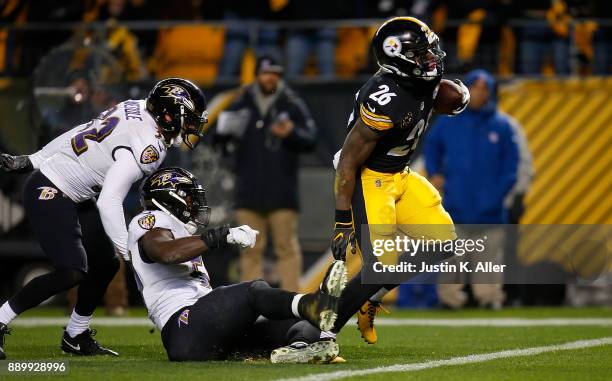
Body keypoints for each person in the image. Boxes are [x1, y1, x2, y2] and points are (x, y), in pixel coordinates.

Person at [0, 78, 208, 359]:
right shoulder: (149, 146)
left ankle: (75, 335)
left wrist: (36, 158)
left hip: (73, 192)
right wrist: (130, 250)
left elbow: (80, 131)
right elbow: (109, 199)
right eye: (188, 119)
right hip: (50, 189)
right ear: (168, 114)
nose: (191, 127)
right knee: (71, 272)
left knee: (106, 264)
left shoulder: (134, 108)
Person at [328, 17, 470, 344]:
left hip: (400, 174)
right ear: (398, 58)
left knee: (444, 242)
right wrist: (342, 218)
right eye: (422, 55)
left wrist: (451, 95)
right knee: (380, 266)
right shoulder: (383, 98)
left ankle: (371, 300)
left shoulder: (420, 81)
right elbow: (348, 162)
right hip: (369, 177)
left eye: (431, 51)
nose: (432, 60)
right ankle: (321, 331)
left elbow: (440, 93)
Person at [129, 167, 347, 362]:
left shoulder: (180, 231)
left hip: (206, 330)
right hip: (183, 326)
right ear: (170, 198)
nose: (195, 204)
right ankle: (312, 304)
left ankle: (300, 348)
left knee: (295, 323)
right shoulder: (151, 219)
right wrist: (219, 236)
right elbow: (166, 253)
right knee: (253, 291)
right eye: (189, 198)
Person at [216, 55, 317, 291]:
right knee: (250, 248)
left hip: (282, 190)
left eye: (275, 73)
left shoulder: (291, 104)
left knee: (286, 247)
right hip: (248, 189)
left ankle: (291, 300)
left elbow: (311, 140)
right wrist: (226, 137)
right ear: (257, 75)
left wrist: (292, 133)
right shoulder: (241, 103)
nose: (270, 77)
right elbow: (220, 142)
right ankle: (251, 302)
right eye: (265, 72)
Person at [424, 69, 520, 309]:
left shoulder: (503, 126)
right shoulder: (448, 122)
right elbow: (431, 147)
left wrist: (497, 196)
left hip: (490, 211)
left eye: (484, 88)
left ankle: (489, 299)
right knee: (451, 260)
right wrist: (435, 173)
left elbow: (512, 167)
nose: (479, 93)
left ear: (490, 93)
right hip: (455, 206)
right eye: (475, 87)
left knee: (488, 262)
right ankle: (450, 300)